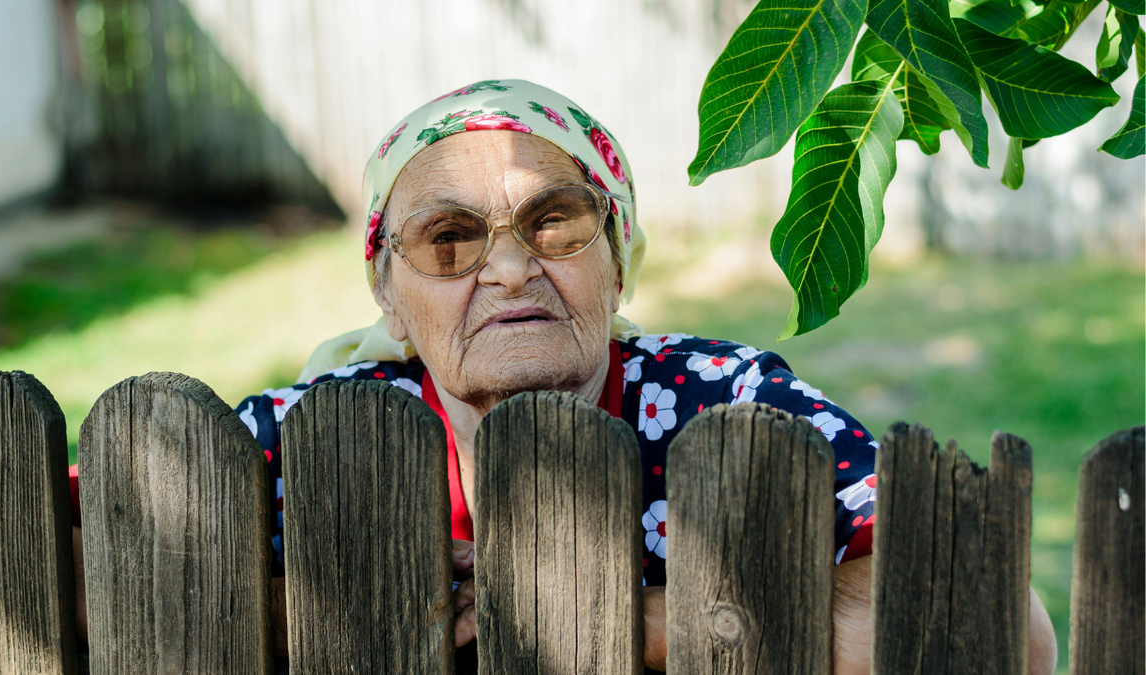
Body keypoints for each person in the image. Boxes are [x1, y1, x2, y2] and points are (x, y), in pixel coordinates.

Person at [72, 79, 1057, 673]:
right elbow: (72, 546)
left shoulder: (725, 401)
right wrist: (323, 600)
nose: (509, 268)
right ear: (386, 292)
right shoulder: (319, 431)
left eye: (553, 222)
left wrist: (620, 621)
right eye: (449, 239)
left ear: (617, 260)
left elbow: (999, 630)